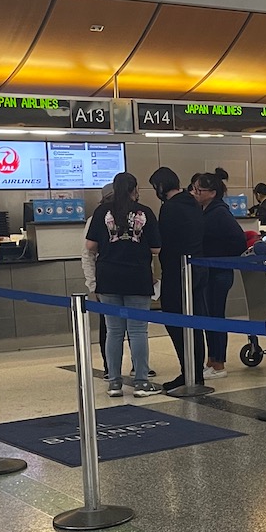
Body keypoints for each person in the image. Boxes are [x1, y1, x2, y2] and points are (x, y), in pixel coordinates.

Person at [85, 172, 163, 398]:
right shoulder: (145, 212)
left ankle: (114, 383)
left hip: (108, 276)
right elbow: (156, 249)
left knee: (114, 331)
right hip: (137, 276)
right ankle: (140, 382)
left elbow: (90, 245)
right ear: (134, 189)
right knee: (138, 331)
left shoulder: (101, 212)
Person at [150, 166, 207, 390]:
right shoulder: (193, 203)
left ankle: (188, 371)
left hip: (177, 271)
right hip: (198, 268)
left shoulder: (170, 208)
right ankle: (196, 371)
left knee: (175, 321)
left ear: (161, 187)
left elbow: (163, 241)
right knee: (194, 323)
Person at [194, 171, 247, 377]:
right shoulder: (206, 211)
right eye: (195, 189)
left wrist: (222, 256)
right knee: (209, 316)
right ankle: (212, 358)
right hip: (209, 271)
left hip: (219, 272)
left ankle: (219, 363)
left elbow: (238, 241)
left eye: (200, 189)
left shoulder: (220, 213)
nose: (196, 193)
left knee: (216, 316)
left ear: (212, 192)